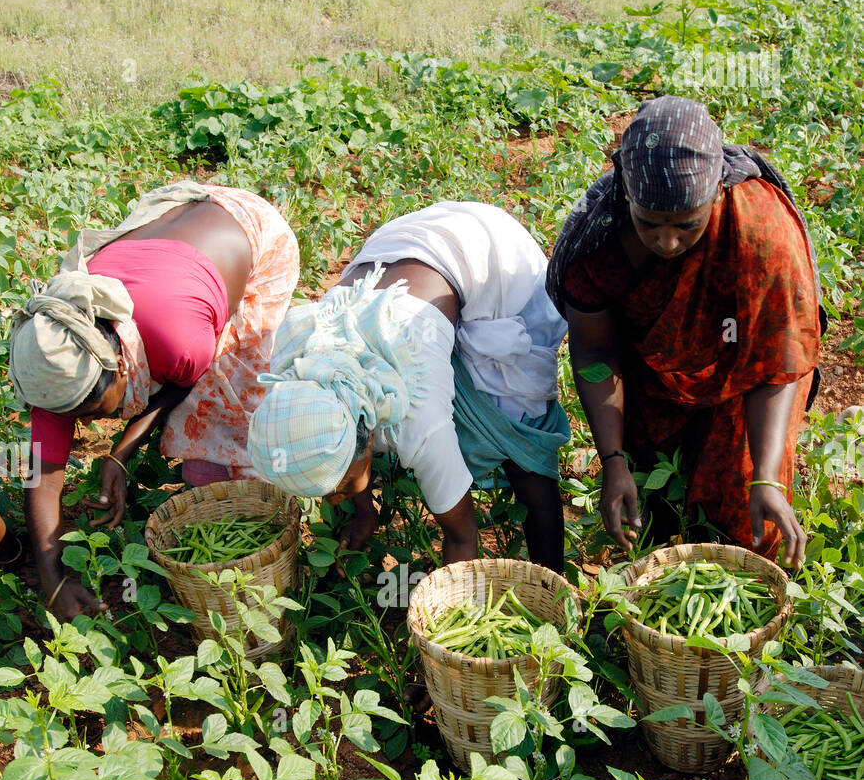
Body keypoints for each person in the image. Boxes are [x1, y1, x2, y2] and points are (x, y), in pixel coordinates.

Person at [545, 95, 825, 567]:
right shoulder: (599, 248)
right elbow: (595, 354)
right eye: (650, 225)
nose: (668, 242)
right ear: (628, 196)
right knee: (653, 497)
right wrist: (613, 461)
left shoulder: (759, 231)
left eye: (687, 225)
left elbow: (777, 361)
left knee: (742, 512)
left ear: (717, 193)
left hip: (747, 372)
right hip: (651, 377)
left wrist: (766, 478)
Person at [10, 181, 299, 621]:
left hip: (250, 233)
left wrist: (122, 452)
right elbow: (42, 477)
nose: (85, 426)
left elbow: (185, 381)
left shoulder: (178, 343)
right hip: (173, 242)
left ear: (123, 366)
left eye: (93, 412)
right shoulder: (56, 354)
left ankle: (257, 490)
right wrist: (51, 576)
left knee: (232, 390)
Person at [246, 200, 571, 572]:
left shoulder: (418, 418)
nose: (333, 500)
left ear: (365, 437)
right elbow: (344, 442)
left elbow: (462, 537)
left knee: (522, 447)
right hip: (398, 251)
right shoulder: (293, 373)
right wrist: (364, 513)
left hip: (491, 254)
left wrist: (448, 615)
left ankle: (552, 581)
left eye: (335, 488)